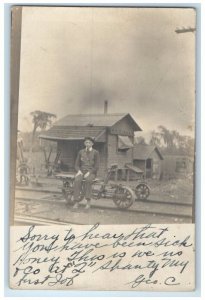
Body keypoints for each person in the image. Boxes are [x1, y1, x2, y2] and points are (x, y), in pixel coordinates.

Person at [72, 137, 100, 210]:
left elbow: (96, 166)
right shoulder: (81, 152)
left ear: (92, 144)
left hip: (91, 172)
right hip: (81, 171)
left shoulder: (96, 152)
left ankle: (88, 202)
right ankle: (76, 202)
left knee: (88, 181)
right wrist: (78, 171)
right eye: (86, 142)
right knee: (77, 181)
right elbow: (76, 164)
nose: (87, 144)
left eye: (89, 142)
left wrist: (90, 172)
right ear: (84, 143)